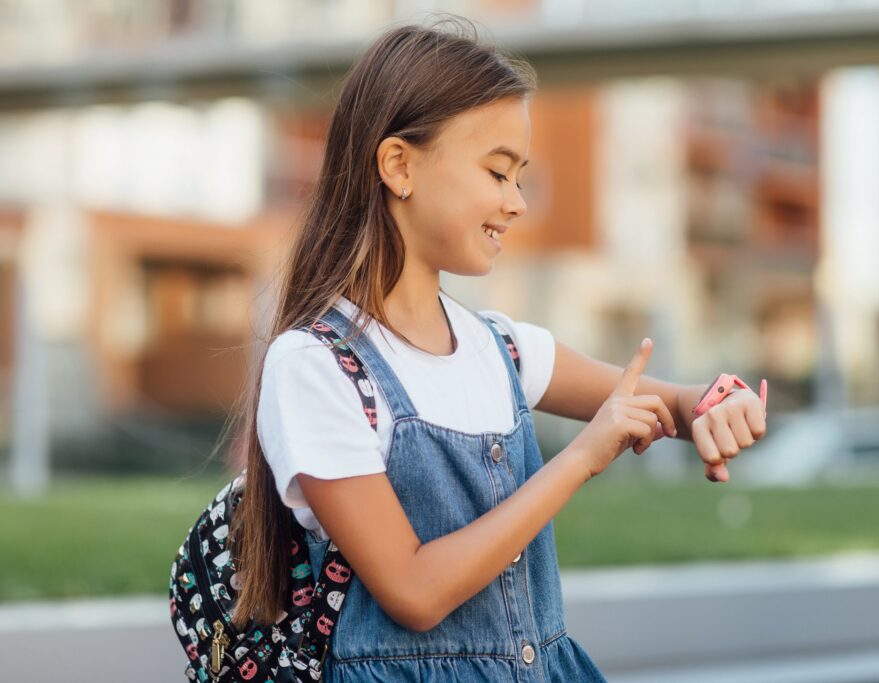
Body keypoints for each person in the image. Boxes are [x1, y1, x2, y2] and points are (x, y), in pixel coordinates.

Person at [229, 16, 767, 682]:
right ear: (399, 165)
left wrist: (717, 403)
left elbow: (671, 404)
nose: (515, 203)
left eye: (521, 177)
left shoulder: (501, 348)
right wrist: (579, 461)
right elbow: (414, 590)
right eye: (497, 172)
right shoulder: (315, 367)